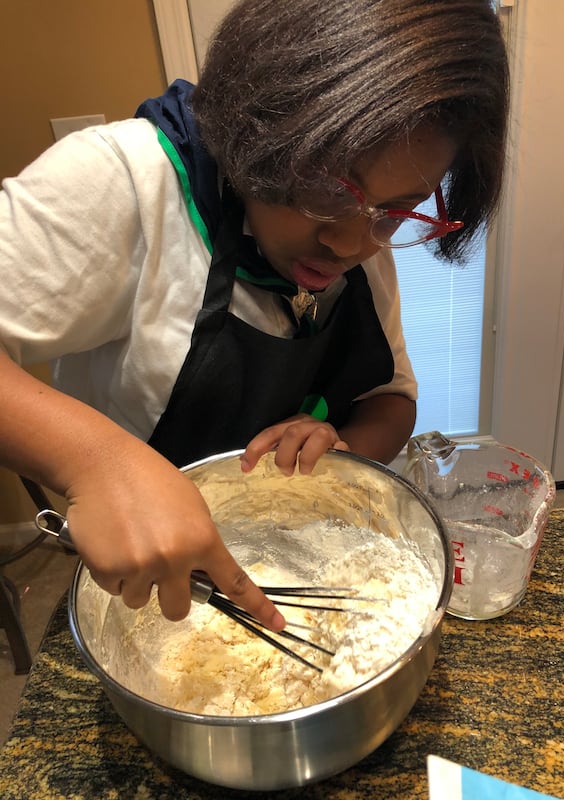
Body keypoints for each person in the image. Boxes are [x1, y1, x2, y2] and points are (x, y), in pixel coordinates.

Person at [0, 0, 509, 629]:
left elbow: (391, 400)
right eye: (327, 188)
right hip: (145, 582)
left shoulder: (363, 241)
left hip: (300, 558)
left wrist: (341, 450)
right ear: (262, 127)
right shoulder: (126, 183)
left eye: (398, 209)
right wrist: (94, 460)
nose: (352, 246)